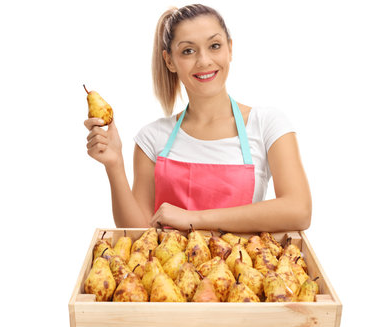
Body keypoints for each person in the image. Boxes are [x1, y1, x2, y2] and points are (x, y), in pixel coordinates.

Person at [84, 4, 311, 232]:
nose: (204, 61)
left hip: (244, 265)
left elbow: (299, 210)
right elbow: (139, 236)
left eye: (214, 46)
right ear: (169, 61)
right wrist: (115, 166)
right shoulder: (152, 138)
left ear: (229, 49)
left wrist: (194, 219)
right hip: (167, 268)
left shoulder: (267, 125)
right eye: (188, 51)